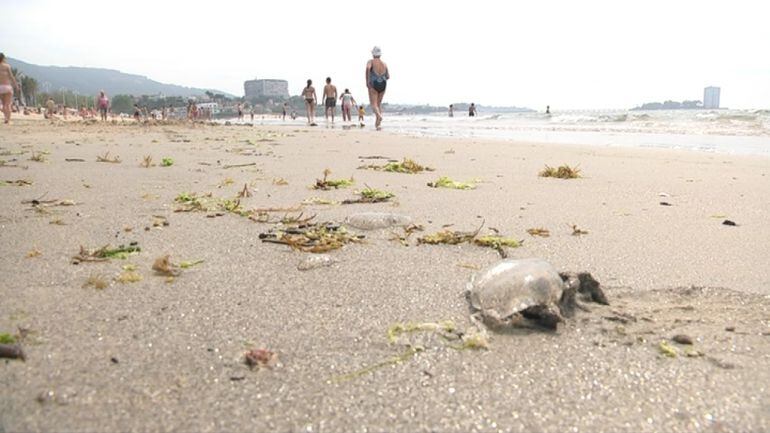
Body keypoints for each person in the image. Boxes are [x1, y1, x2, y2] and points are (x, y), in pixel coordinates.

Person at [365, 46, 389, 130]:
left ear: (373, 54)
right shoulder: (384, 64)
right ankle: (377, 124)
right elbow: (388, 76)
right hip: (383, 83)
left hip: (374, 83)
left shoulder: (370, 61)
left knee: (373, 104)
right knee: (379, 105)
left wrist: (367, 81)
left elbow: (368, 68)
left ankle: (379, 116)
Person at [0, 53, 21, 124]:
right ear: (3, 58)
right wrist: (16, 86)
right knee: (8, 105)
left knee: (3, 105)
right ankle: (7, 120)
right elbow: (11, 77)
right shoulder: (7, 66)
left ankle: (5, 117)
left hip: (0, 87)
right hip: (7, 87)